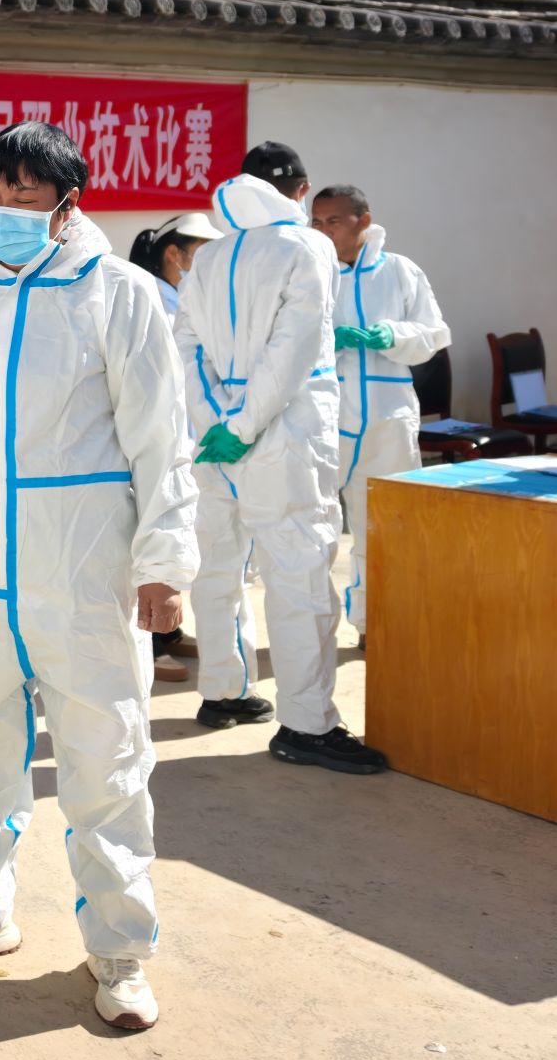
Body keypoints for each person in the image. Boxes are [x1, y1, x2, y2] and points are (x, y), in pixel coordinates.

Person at [0, 121, 195, 1032]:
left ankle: (120, 953)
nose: (2, 209)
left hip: (82, 573)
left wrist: (164, 563)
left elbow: (160, 440)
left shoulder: (118, 294)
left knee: (105, 763)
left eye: (23, 194)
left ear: (67, 206)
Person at [175, 142, 387, 774]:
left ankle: (224, 691)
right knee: (299, 576)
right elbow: (294, 348)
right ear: (299, 190)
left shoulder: (211, 256)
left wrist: (218, 422)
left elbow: (186, 346)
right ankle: (307, 724)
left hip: (214, 439)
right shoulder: (307, 246)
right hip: (285, 433)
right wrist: (247, 425)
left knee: (219, 567)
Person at [309, 184, 450, 644]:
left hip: (389, 419)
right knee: (313, 529)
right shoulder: (309, 272)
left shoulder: (399, 271)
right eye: (317, 222)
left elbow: (434, 334)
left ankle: (379, 626)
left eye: (334, 221)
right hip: (325, 419)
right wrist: (329, 341)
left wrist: (390, 335)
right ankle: (311, 633)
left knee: (386, 527)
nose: (324, 231)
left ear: (363, 221)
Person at [128, 212, 225, 684]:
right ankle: (147, 641)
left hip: (181, 439)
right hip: (151, 444)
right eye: (203, 254)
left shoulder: (181, 299)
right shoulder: (150, 300)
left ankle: (167, 635)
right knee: (148, 539)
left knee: (175, 536)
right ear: (174, 254)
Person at [129, 212, 224, 319]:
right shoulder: (158, 304)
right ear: (172, 253)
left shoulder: (177, 300)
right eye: (202, 255)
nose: (208, 264)